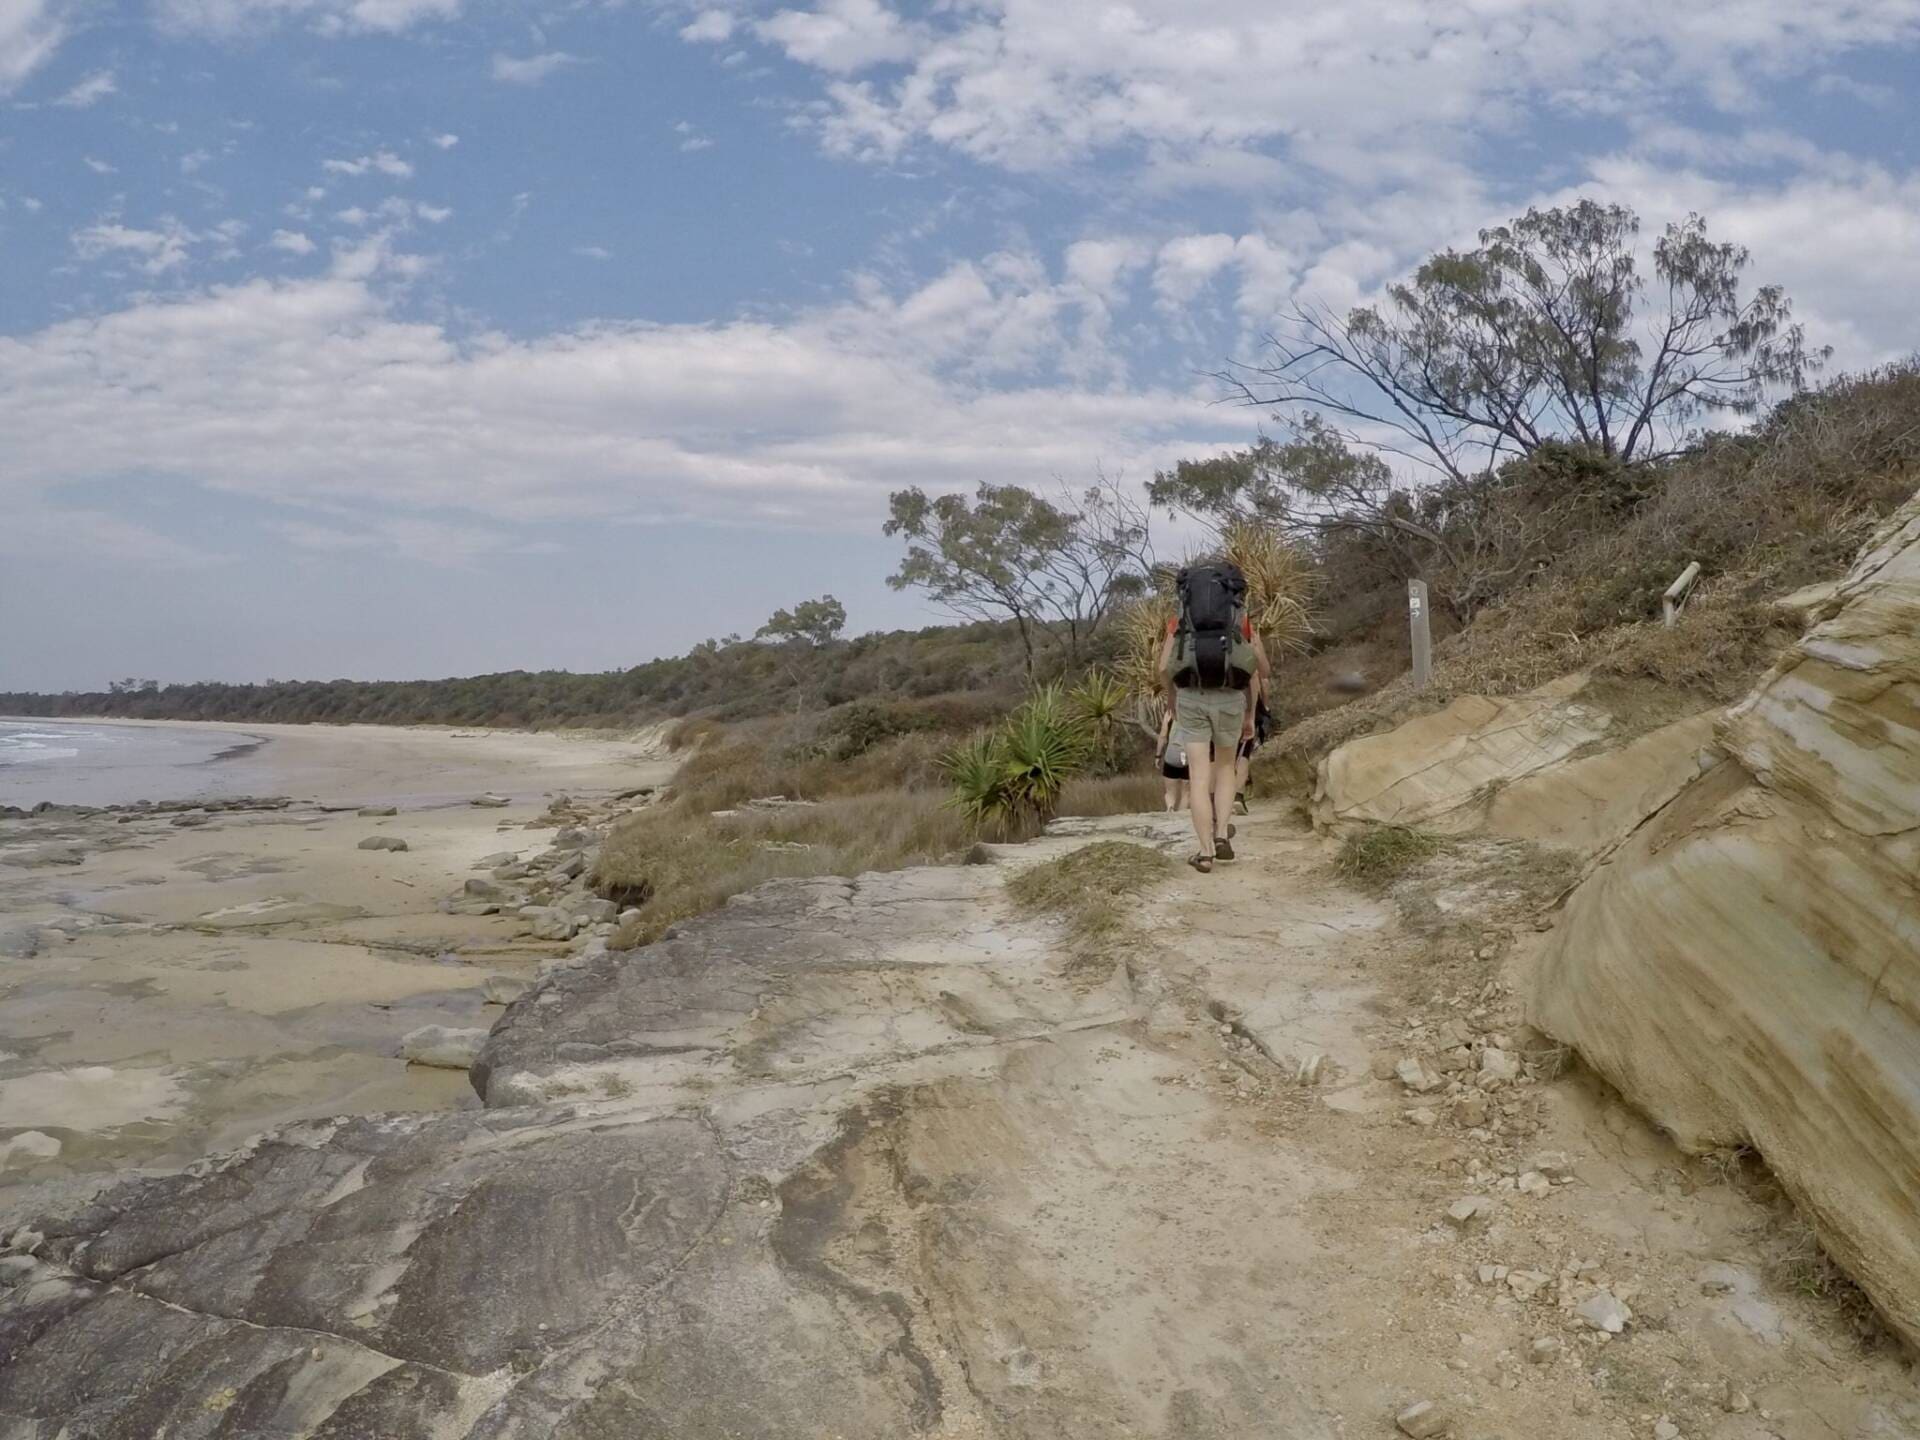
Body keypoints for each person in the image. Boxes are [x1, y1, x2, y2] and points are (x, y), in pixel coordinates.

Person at [1159, 565, 1271, 872]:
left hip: (1191, 698)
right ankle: (1222, 833)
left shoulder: (1180, 622)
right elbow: (1258, 669)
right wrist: (1250, 713)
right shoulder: (1239, 620)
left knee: (1198, 777)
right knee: (1225, 768)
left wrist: (1172, 699)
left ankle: (1205, 852)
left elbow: (1163, 668)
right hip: (1231, 699)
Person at [1154, 704, 1189, 813]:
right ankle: (1181, 814)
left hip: (1172, 754)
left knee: (1170, 791)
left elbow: (1163, 735)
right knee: (1186, 792)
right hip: (1188, 755)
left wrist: (1158, 755)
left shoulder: (1170, 713)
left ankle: (1170, 808)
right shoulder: (1195, 712)